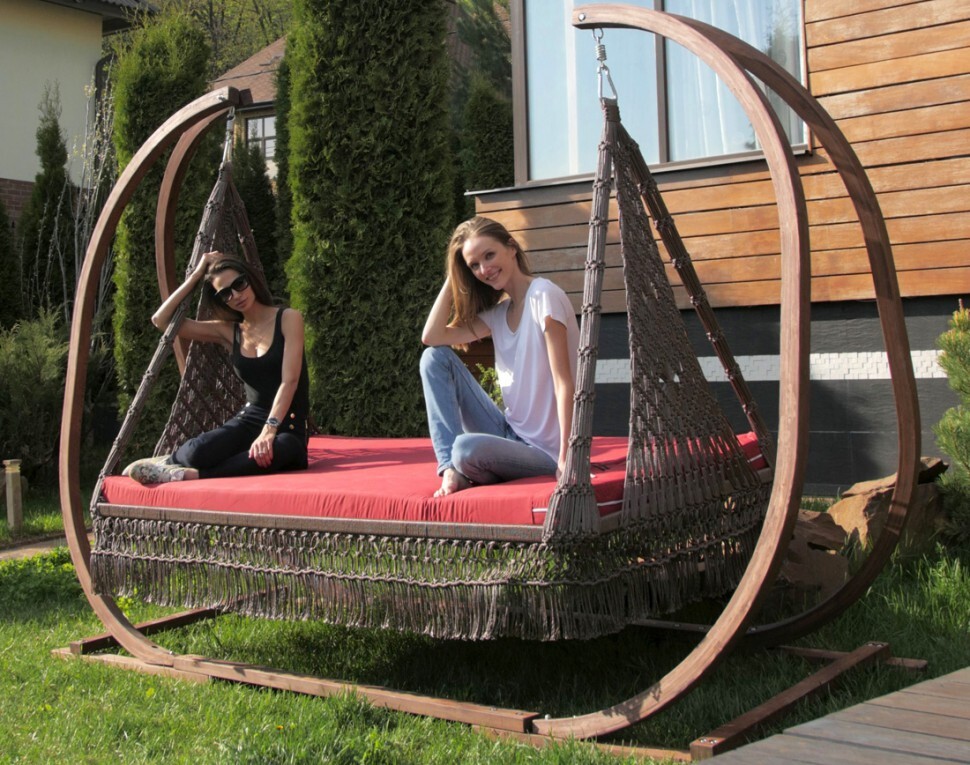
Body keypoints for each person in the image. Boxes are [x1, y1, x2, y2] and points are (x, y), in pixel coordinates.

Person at [420, 216, 579, 497]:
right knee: (433, 358)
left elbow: (565, 383)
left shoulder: (543, 296)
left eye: (489, 255)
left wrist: (567, 457)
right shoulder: (498, 314)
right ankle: (450, 469)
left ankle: (470, 467)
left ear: (511, 247)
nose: (484, 269)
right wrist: (454, 275)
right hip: (507, 433)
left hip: (545, 451)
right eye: (474, 265)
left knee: (464, 448)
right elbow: (432, 337)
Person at [124, 251, 310, 484]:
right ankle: (170, 462)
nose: (236, 295)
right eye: (225, 293)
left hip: (287, 424)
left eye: (239, 284)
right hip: (250, 419)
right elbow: (161, 321)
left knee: (286, 448)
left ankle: (189, 475)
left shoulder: (288, 318)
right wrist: (196, 276)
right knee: (196, 452)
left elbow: (289, 381)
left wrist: (269, 431)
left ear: (250, 279)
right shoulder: (229, 331)